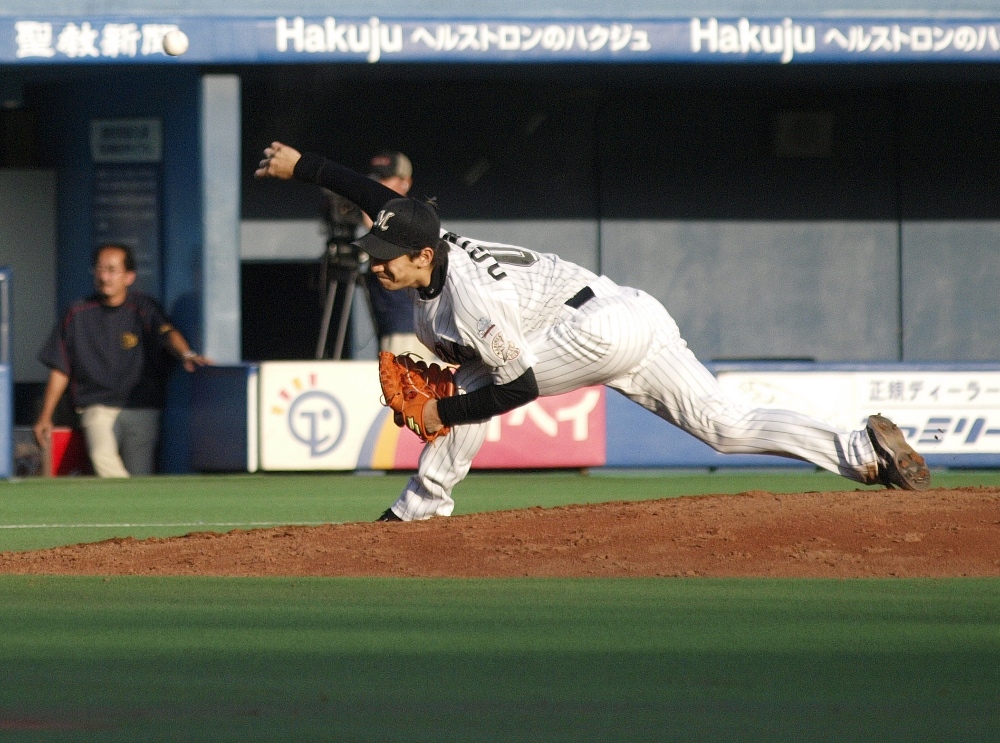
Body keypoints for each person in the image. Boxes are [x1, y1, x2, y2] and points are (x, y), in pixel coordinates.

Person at [256, 141, 932, 522]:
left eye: (389, 260)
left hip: (596, 330)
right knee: (726, 426)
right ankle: (858, 448)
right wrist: (304, 167)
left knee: (476, 380)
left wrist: (440, 408)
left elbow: (517, 386)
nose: (379, 268)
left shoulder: (467, 296)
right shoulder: (425, 241)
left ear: (424, 256)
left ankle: (417, 511)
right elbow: (382, 204)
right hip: (628, 311)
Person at [33, 243, 209, 477]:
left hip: (142, 407)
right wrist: (45, 416)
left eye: (112, 270)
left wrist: (187, 354)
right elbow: (60, 368)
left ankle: (134, 512)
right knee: (102, 457)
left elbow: (168, 334)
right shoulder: (77, 313)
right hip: (96, 406)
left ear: (129, 276)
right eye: (100, 269)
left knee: (140, 474)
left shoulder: (144, 308)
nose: (105, 277)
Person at [359, 150, 429, 358]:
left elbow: (384, 235)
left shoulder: (412, 214)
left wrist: (368, 214)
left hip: (409, 329)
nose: (378, 184)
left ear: (405, 182)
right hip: (390, 326)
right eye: (375, 178)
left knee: (406, 388)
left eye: (385, 178)